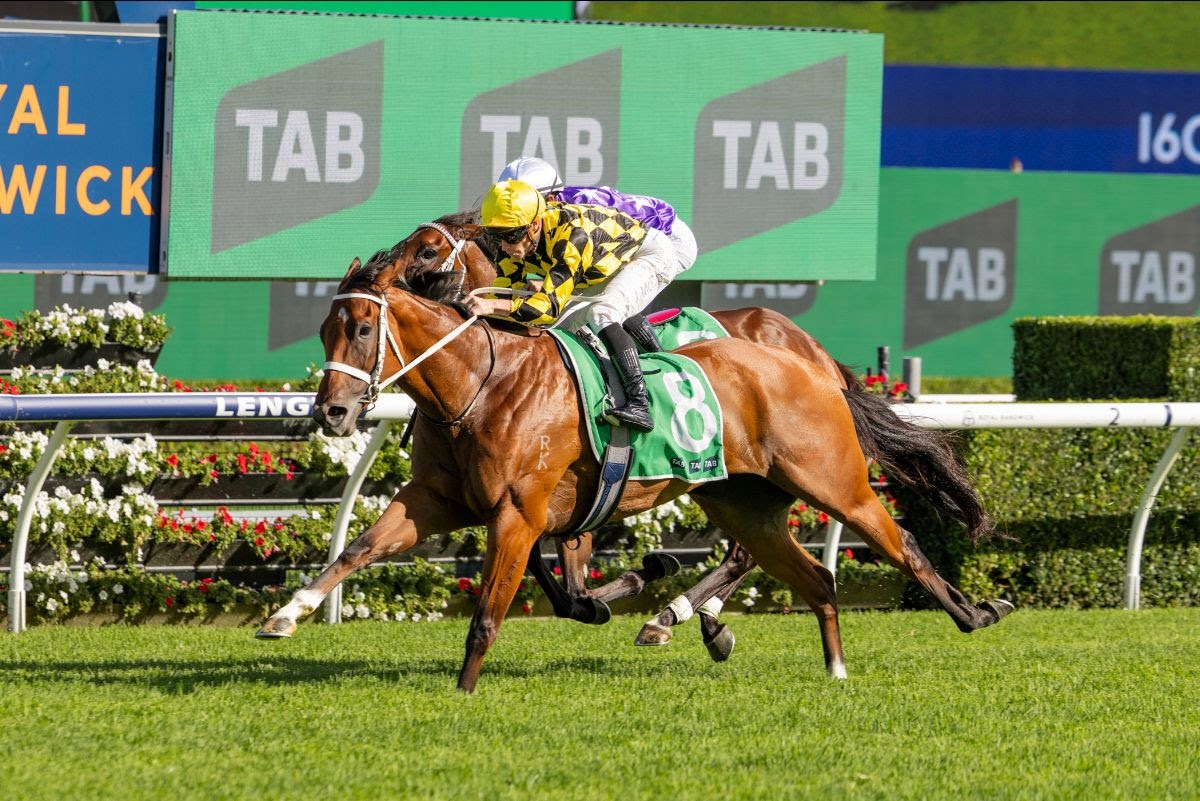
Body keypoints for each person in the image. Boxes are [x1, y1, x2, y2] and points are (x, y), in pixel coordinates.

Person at [467, 178, 683, 432]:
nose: (504, 246)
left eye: (510, 236)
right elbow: (508, 296)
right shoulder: (512, 243)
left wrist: (493, 307)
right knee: (564, 328)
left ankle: (640, 403)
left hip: (649, 254)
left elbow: (547, 309)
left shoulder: (572, 236)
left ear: (534, 225)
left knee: (603, 311)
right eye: (496, 237)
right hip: (603, 267)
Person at [495, 156, 697, 353]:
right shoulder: (544, 216)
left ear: (548, 198)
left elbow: (614, 249)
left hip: (670, 239)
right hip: (624, 247)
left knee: (608, 304)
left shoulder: (584, 206)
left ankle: (658, 359)